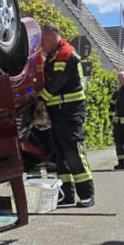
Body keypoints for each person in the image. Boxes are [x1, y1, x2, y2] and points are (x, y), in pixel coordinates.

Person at [38, 22, 95, 207]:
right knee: (61, 155)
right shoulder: (53, 56)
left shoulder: (66, 53)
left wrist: (40, 99)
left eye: (42, 39)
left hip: (70, 111)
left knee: (73, 152)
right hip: (58, 111)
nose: (40, 44)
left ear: (52, 35)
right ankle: (66, 195)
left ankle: (87, 195)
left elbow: (58, 82)